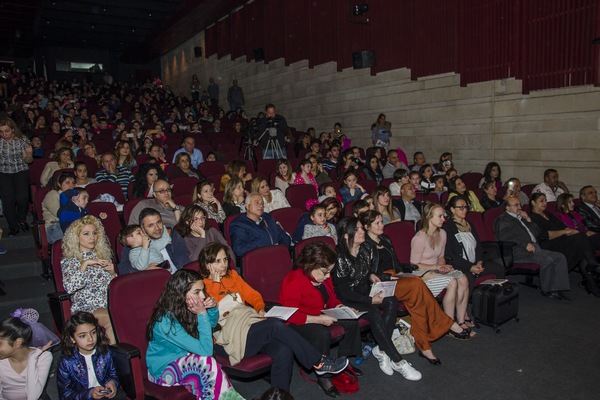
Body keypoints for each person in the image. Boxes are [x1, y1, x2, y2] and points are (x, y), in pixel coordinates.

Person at [200, 243, 349, 393]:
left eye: (225, 259)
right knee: (274, 326)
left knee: (283, 350)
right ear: (207, 265)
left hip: (247, 326)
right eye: (218, 261)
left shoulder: (232, 276)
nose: (224, 264)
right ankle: (318, 361)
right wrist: (216, 282)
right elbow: (212, 312)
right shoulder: (202, 285)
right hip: (226, 338)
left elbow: (253, 295)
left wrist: (260, 308)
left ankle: (280, 395)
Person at [360, 211, 471, 364]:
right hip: (380, 284)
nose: (381, 225)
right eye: (377, 223)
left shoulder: (385, 239)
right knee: (417, 284)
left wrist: (407, 274)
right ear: (367, 227)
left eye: (381, 222)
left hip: (396, 278)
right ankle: (448, 323)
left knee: (417, 302)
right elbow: (366, 273)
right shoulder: (364, 245)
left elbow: (397, 265)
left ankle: (425, 347)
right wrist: (395, 277)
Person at [333, 217, 422, 379]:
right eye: (358, 229)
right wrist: (370, 301)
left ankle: (381, 350)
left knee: (392, 300)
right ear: (346, 235)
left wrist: (371, 276)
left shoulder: (365, 249)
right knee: (374, 312)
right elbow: (345, 292)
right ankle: (398, 361)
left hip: (364, 292)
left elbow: (364, 273)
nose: (362, 232)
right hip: (349, 299)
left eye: (362, 228)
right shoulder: (339, 256)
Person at [279, 243, 361, 397]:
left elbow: (332, 299)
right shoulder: (294, 280)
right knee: (321, 333)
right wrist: (317, 320)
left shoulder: (323, 277)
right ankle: (324, 376)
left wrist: (342, 307)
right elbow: (290, 314)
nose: (329, 276)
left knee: (351, 321)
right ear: (311, 265)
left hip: (320, 314)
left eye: (330, 271)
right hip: (298, 321)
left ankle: (344, 363)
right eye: (325, 272)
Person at [145, 269, 243, 399]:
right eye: (197, 292)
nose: (203, 296)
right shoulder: (165, 321)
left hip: (186, 360)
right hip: (162, 371)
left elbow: (211, 326)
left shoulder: (187, 307)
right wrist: (202, 314)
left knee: (209, 374)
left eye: (203, 290)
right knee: (207, 365)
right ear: (180, 294)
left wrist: (212, 309)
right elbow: (206, 350)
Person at [410, 203, 473, 335]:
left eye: (444, 216)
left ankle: (460, 320)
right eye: (440, 216)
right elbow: (414, 265)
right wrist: (437, 267)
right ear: (429, 217)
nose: (443, 219)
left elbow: (441, 256)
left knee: (463, 278)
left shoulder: (442, 233)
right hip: (422, 273)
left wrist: (442, 267)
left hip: (436, 270)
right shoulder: (419, 238)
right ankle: (449, 324)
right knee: (452, 282)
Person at [494, 196, 570, 300]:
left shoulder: (520, 217)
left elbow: (537, 232)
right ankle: (547, 290)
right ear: (507, 208)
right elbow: (505, 237)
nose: (520, 207)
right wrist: (525, 244)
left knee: (560, 257)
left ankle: (557, 288)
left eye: (520, 204)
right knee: (547, 260)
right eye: (516, 205)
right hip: (518, 252)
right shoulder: (503, 220)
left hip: (534, 247)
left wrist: (528, 220)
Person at [528, 193, 600, 295]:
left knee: (586, 246)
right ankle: (593, 265)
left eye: (545, 200)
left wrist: (571, 231)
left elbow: (563, 226)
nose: (545, 203)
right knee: (582, 239)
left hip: (563, 239)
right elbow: (545, 235)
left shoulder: (548, 214)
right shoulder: (533, 217)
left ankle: (593, 285)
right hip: (550, 243)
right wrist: (565, 232)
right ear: (533, 203)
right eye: (541, 201)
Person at [61, 215, 116, 344]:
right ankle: (114, 359)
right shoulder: (70, 261)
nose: (92, 237)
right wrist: (85, 264)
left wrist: (113, 274)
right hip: (86, 306)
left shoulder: (103, 256)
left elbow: (113, 287)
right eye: (86, 234)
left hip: (108, 303)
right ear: (76, 238)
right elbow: (70, 287)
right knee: (112, 319)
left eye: (94, 233)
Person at [443, 195, 505, 294]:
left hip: (475, 262)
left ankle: (494, 299)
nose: (464, 210)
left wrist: (479, 262)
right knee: (469, 278)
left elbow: (478, 247)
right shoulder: (447, 227)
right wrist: (470, 267)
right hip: (459, 265)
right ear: (452, 209)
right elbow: (450, 255)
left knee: (499, 269)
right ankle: (464, 307)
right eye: (461, 207)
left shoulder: (470, 225)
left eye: (466, 207)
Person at [57, 312, 122, 400]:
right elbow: (65, 395)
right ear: (72, 339)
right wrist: (89, 393)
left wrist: (112, 382)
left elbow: (113, 374)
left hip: (104, 396)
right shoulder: (66, 362)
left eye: (93, 332)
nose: (90, 339)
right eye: (82, 336)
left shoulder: (105, 352)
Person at [0, 317, 53, 400]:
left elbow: (33, 397)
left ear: (17, 342)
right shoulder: (1, 360)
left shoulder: (44, 357)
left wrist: (32, 359)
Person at [0, 117, 33, 236]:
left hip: (20, 170)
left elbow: (29, 160)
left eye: (7, 131)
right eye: (1, 132)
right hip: (3, 172)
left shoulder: (22, 140)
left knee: (22, 197)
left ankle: (22, 219)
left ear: (13, 129)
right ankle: (13, 226)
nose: (4, 134)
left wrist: (28, 155)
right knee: (8, 200)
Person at [42, 171, 76, 244]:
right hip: (54, 226)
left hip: (71, 224)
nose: (71, 186)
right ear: (59, 184)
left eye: (73, 183)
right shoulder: (52, 195)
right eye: (67, 183)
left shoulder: (75, 195)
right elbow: (60, 214)